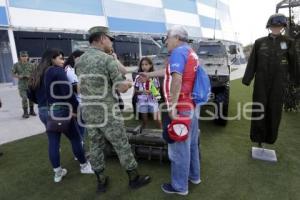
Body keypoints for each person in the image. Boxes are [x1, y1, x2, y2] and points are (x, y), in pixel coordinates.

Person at [75, 26, 151, 193]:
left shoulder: (79, 61)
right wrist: (130, 82)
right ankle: (134, 178)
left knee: (95, 146)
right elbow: (122, 87)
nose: (111, 43)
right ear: (102, 38)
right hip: (107, 111)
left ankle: (101, 182)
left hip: (89, 111)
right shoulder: (106, 59)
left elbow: (80, 88)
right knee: (121, 144)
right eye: (110, 39)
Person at [138, 25, 201, 196]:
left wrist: (172, 106)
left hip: (181, 107)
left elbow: (176, 78)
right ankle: (194, 177)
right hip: (191, 105)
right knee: (192, 144)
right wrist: (149, 75)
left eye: (167, 37)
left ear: (177, 38)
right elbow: (168, 72)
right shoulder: (190, 51)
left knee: (179, 149)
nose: (166, 41)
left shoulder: (178, 53)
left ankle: (180, 186)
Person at [28, 48, 93, 183]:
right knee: (75, 138)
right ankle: (84, 166)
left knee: (53, 142)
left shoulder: (36, 72)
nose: (63, 61)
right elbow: (67, 92)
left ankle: (58, 172)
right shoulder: (56, 71)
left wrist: (42, 104)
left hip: (43, 111)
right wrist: (76, 108)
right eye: (60, 58)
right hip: (59, 110)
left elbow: (30, 93)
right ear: (52, 58)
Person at [242, 13, 298, 145]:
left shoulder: (288, 43)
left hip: (279, 83)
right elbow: (252, 62)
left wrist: (296, 80)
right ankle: (257, 138)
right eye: (273, 26)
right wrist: (247, 79)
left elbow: (294, 63)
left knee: (274, 110)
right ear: (269, 26)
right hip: (261, 82)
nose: (276, 28)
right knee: (259, 108)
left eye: (279, 26)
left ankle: (270, 138)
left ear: (283, 27)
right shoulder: (259, 42)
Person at [134, 57, 162, 129]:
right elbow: (135, 91)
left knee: (157, 121)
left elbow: (158, 89)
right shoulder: (138, 77)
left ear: (150, 65)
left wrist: (152, 91)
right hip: (142, 102)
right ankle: (142, 134)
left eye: (146, 64)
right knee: (145, 121)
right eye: (142, 65)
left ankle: (161, 136)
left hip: (153, 102)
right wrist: (142, 91)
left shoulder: (154, 77)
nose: (144, 66)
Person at [64, 50, 85, 142]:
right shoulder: (70, 69)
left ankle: (80, 148)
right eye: (81, 58)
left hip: (79, 101)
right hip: (76, 102)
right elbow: (78, 89)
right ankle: (80, 151)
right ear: (74, 57)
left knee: (81, 127)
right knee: (80, 128)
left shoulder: (75, 68)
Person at [12, 51, 36, 118]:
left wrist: (30, 76)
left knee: (31, 98)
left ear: (27, 57)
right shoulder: (16, 65)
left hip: (30, 85)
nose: (24, 57)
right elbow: (12, 73)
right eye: (23, 56)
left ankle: (31, 111)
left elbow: (35, 74)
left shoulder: (31, 65)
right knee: (24, 98)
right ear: (20, 57)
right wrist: (19, 76)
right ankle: (25, 112)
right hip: (22, 86)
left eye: (25, 56)